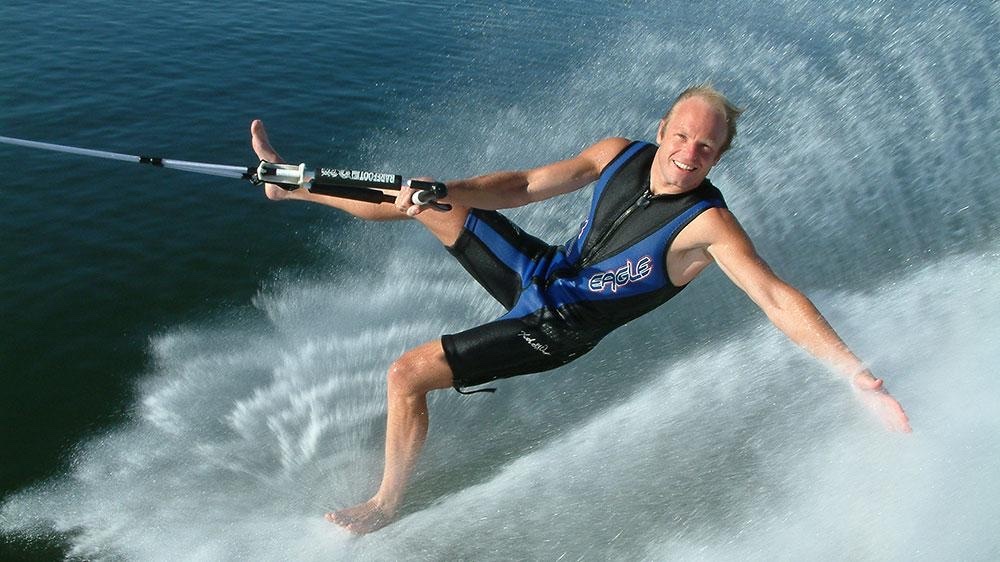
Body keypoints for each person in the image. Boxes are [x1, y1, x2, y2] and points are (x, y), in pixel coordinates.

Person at [249, 85, 911, 534]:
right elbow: (523, 185)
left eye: (705, 148)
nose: (688, 154)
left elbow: (775, 296)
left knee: (406, 373)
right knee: (419, 195)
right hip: (541, 272)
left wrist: (855, 373)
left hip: (559, 328)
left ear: (720, 156)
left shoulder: (709, 226)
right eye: (682, 136)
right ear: (663, 130)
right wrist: (446, 190)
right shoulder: (616, 152)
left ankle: (385, 502)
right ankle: (290, 186)